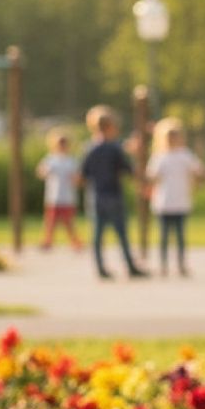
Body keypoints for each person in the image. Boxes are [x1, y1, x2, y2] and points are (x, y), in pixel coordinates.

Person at [81, 105, 147, 280]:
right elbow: (128, 169)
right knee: (122, 233)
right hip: (113, 195)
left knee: (97, 235)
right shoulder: (114, 148)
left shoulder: (89, 148)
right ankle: (130, 266)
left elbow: (84, 174)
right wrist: (140, 174)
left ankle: (100, 268)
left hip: (96, 195)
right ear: (110, 127)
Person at [145, 116, 205, 277]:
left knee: (180, 237)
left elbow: (198, 170)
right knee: (164, 237)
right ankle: (163, 265)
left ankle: (181, 264)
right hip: (163, 202)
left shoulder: (185, 155)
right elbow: (151, 176)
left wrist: (197, 181)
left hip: (181, 202)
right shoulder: (159, 157)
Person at [36, 128, 83, 250]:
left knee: (69, 221)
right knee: (50, 221)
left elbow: (77, 178)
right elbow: (41, 172)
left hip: (68, 196)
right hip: (53, 196)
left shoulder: (71, 161)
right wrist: (45, 171)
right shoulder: (50, 159)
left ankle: (75, 241)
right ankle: (48, 240)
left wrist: (75, 179)